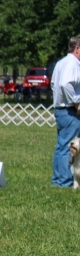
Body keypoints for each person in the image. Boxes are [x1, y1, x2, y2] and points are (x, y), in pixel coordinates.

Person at [51, 36, 80, 187]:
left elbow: (54, 84)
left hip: (60, 109)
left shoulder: (61, 63)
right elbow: (65, 84)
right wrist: (77, 103)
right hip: (69, 111)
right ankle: (64, 181)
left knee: (61, 146)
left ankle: (57, 179)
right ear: (77, 48)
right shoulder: (73, 64)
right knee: (69, 147)